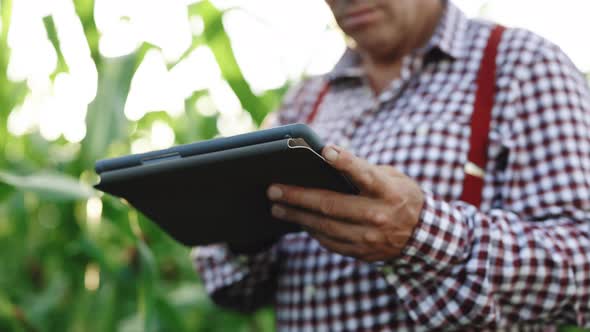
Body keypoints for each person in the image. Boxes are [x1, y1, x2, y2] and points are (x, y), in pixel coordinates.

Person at [193, 0, 590, 330]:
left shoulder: (518, 63)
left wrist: (422, 234)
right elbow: (235, 291)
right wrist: (246, 231)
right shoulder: (304, 101)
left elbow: (583, 266)